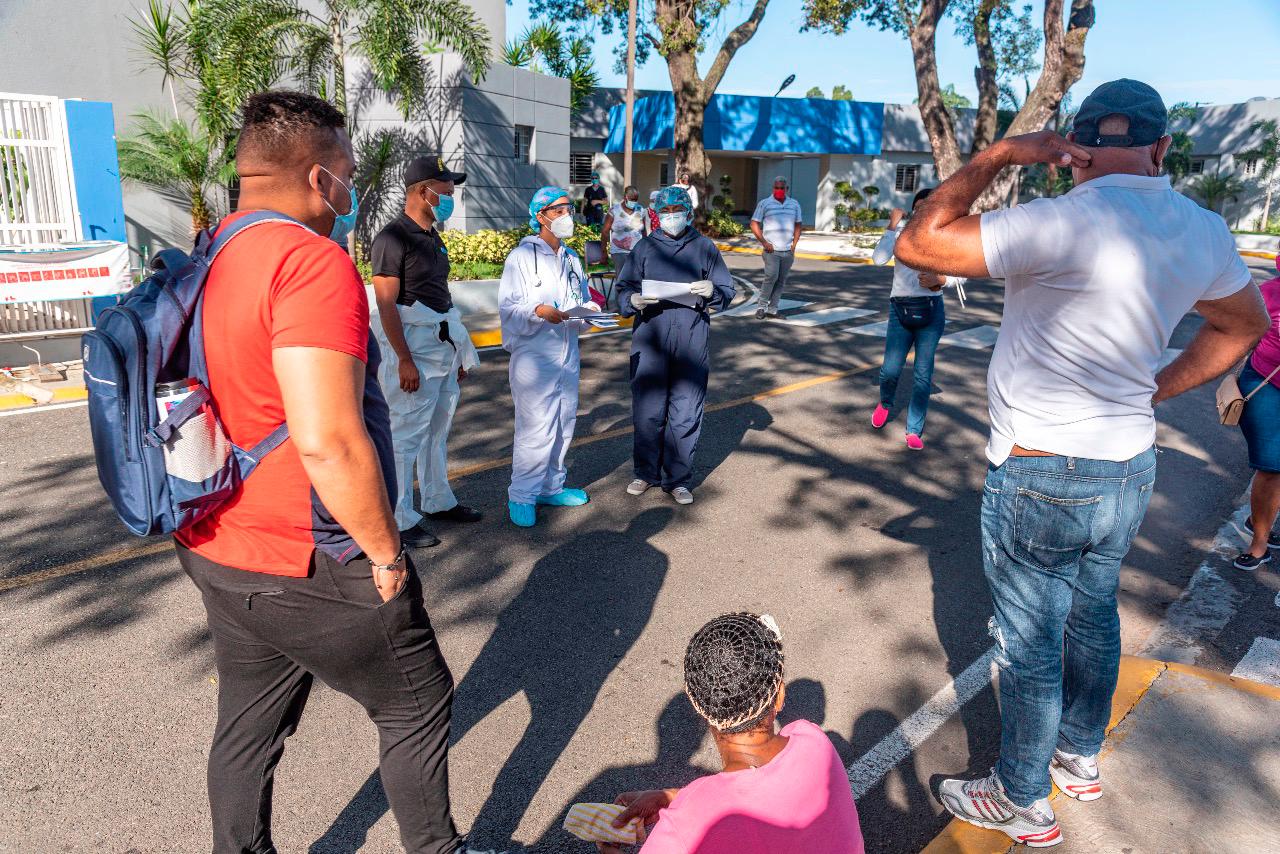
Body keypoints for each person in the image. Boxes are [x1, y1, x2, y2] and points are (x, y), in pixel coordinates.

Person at [894, 78, 1269, 847]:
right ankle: (1078, 757)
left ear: (1073, 154)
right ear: (1162, 149)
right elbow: (1242, 327)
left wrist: (1001, 151)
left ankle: (1022, 796)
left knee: (1031, 642)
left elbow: (920, 241)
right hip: (1127, 465)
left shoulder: (1059, 219)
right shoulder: (1201, 229)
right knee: (1093, 616)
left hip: (1042, 466)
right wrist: (1158, 386)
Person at [173, 91, 492, 854]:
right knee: (417, 703)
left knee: (248, 726)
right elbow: (328, 440)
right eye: (348, 172)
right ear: (320, 179)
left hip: (216, 540)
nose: (353, 191)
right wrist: (386, 552)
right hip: (309, 555)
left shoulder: (212, 251)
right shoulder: (308, 263)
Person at [595, 613, 865, 854]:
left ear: (700, 710)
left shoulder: (684, 830)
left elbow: (728, 808)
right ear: (780, 695)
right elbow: (763, 794)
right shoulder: (814, 740)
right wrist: (671, 798)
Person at [371, 155, 482, 549]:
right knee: (404, 437)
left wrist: (457, 354)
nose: (450, 199)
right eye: (446, 192)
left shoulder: (431, 235)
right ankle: (398, 519)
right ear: (423, 191)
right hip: (412, 350)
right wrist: (403, 359)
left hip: (440, 348)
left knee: (437, 431)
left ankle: (437, 501)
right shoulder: (392, 238)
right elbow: (387, 305)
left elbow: (440, 297)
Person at [616, 186, 735, 506]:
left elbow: (726, 287)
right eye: (665, 213)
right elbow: (623, 289)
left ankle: (678, 479)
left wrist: (713, 290)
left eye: (676, 211)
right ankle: (645, 472)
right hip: (651, 336)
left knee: (686, 410)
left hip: (691, 338)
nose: (672, 218)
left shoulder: (704, 247)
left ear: (687, 212)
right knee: (648, 412)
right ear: (656, 214)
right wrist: (633, 299)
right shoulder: (644, 248)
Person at [499, 186, 595, 528]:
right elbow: (509, 308)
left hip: (567, 354)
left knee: (563, 422)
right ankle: (522, 494)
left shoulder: (571, 259)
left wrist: (589, 312)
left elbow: (583, 296)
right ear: (540, 216)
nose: (566, 216)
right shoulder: (521, 258)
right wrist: (539, 310)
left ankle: (551, 486)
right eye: (558, 211)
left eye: (569, 209)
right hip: (533, 357)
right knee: (535, 428)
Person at [870, 188, 967, 450]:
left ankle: (914, 429)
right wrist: (891, 225)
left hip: (931, 312)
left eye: (928, 207)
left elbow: (963, 273)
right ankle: (885, 403)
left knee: (923, 376)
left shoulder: (942, 239)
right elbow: (879, 259)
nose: (922, 212)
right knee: (890, 369)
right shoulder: (901, 237)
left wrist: (942, 279)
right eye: (918, 207)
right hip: (899, 310)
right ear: (913, 210)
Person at [1232, 258, 1280, 570]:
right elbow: (1238, 335)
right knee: (1273, 466)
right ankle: (1259, 543)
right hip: (1266, 383)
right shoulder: (1267, 293)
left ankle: (1257, 518)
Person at [750, 176, 803, 319]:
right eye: (776, 188)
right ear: (773, 188)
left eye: (781, 188)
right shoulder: (765, 203)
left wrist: (794, 244)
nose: (778, 190)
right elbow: (754, 223)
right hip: (771, 250)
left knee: (781, 280)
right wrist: (764, 242)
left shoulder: (794, 204)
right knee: (771, 277)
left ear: (786, 189)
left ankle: (773, 309)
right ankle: (761, 307)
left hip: (787, 251)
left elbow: (798, 224)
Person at [602, 185, 649, 272]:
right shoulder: (614, 211)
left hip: (637, 251)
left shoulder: (640, 210)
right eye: (632, 200)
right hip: (619, 252)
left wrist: (645, 247)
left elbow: (643, 231)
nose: (634, 202)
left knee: (636, 278)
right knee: (622, 278)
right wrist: (604, 251)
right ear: (625, 197)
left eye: (636, 200)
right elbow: (605, 232)